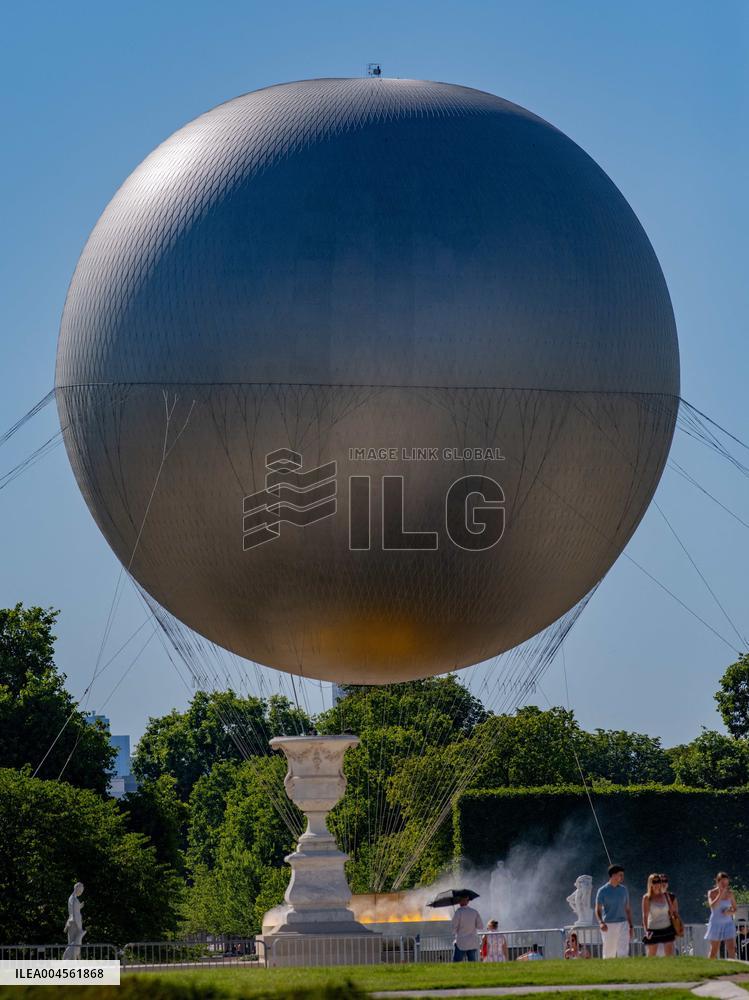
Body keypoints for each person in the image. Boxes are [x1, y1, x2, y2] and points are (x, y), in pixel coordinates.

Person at [595, 864, 633, 959]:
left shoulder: (624, 890)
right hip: (608, 925)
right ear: (613, 875)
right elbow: (597, 909)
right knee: (609, 953)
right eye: (620, 875)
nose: (622, 877)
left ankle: (624, 971)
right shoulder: (602, 891)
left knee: (623, 952)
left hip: (623, 924)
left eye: (622, 875)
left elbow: (627, 909)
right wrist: (601, 922)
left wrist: (630, 926)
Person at [642, 873, 677, 957]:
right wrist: (646, 930)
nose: (657, 884)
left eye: (659, 881)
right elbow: (645, 916)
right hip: (653, 929)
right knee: (652, 956)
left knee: (669, 955)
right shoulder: (647, 898)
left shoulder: (666, 896)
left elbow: (673, 912)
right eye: (654, 882)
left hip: (667, 928)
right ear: (650, 883)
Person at [705, 872, 737, 959]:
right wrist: (720, 893)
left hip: (728, 924)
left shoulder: (730, 894)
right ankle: (710, 969)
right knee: (714, 950)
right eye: (722, 883)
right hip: (716, 924)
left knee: (731, 948)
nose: (724, 885)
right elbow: (712, 906)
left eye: (726, 883)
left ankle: (733, 969)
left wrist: (729, 912)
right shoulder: (711, 892)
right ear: (717, 882)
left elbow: (735, 909)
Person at [452, 893, 483, 962]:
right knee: (472, 962)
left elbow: (453, 927)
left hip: (461, 942)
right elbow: (480, 926)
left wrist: (455, 932)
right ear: (468, 901)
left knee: (457, 962)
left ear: (459, 901)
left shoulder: (458, 912)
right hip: (472, 941)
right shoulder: (474, 912)